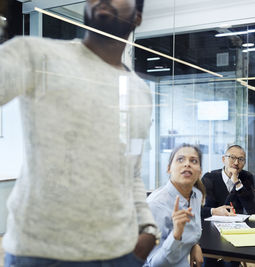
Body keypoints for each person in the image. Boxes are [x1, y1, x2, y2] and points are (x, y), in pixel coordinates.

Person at [0, 0, 158, 266]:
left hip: (121, 252)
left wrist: (148, 230)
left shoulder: (139, 91)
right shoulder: (35, 55)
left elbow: (130, 171)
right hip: (43, 254)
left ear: (138, 17)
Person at [145, 144, 204, 267]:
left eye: (193, 161)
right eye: (180, 159)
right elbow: (152, 264)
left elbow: (193, 230)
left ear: (200, 172)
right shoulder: (155, 205)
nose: (187, 164)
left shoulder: (196, 195)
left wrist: (194, 245)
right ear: (168, 169)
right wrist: (176, 235)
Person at [201, 144, 255, 218]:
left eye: (241, 159)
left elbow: (252, 209)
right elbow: (199, 209)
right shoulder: (209, 178)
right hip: (213, 224)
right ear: (223, 159)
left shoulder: (247, 177)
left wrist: (237, 183)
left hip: (238, 225)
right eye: (232, 157)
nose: (236, 163)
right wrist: (214, 211)